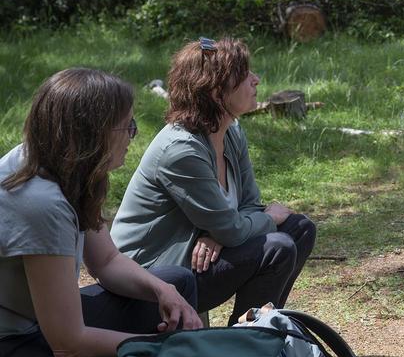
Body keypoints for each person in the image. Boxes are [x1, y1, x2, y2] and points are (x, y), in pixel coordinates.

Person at [0, 68, 201, 357]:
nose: (132, 137)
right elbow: (68, 343)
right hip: (11, 356)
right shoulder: (40, 201)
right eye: (127, 126)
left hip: (38, 330)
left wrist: (162, 290)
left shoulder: (62, 165)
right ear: (92, 133)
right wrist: (159, 348)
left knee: (177, 282)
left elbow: (106, 261)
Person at [111, 37, 316, 326]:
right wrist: (240, 227)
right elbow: (238, 225)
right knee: (277, 246)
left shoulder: (231, 131)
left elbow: (248, 205)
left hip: (193, 261)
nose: (255, 80)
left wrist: (219, 234)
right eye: (245, 75)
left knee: (300, 229)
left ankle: (253, 332)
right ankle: (244, 347)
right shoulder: (181, 150)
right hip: (151, 280)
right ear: (217, 91)